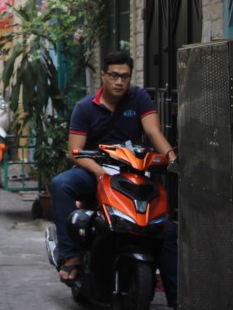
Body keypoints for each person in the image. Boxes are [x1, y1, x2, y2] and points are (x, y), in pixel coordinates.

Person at [50, 50, 178, 306]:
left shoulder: (139, 98)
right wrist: (99, 172)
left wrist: (172, 158)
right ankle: (71, 255)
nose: (120, 82)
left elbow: (153, 131)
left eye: (125, 77)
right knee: (61, 184)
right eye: (115, 76)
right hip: (95, 170)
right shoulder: (85, 107)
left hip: (134, 172)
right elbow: (74, 152)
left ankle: (179, 297)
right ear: (103, 76)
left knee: (165, 227)